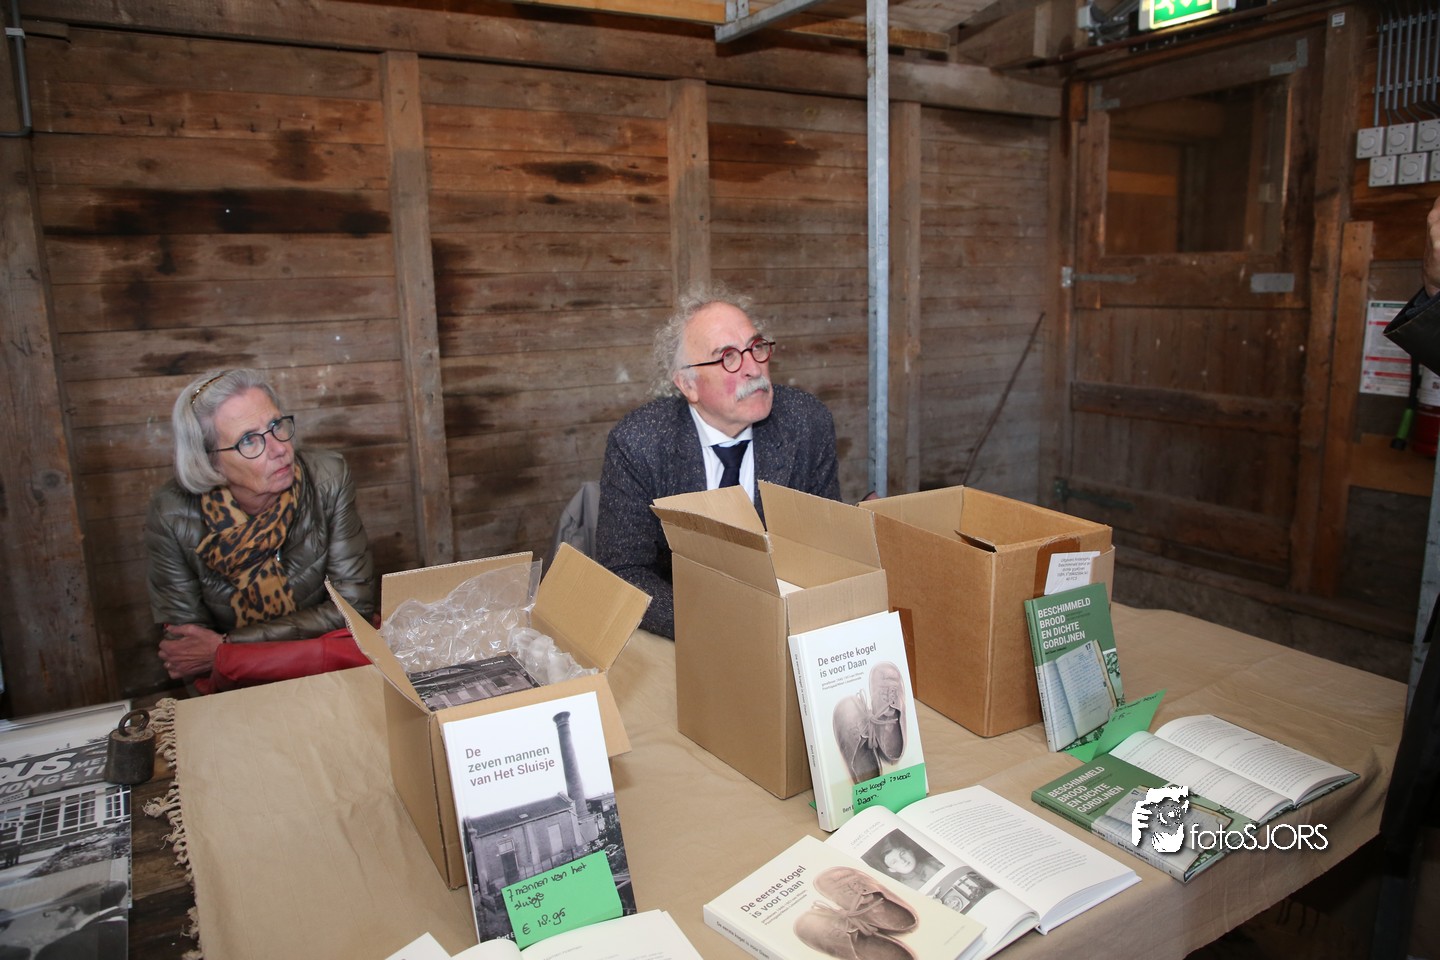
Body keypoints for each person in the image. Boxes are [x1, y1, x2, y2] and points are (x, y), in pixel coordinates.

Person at [594, 285, 842, 638]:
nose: (753, 369)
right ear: (688, 384)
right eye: (728, 357)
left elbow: (825, 549)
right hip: (684, 626)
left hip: (787, 623)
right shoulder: (640, 442)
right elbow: (624, 571)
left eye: (756, 347)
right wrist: (716, 624)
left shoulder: (806, 423)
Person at [145, 368, 377, 691]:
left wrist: (227, 646)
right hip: (236, 688)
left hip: (329, 672)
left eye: (276, 426)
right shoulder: (172, 514)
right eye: (249, 440)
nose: (279, 449)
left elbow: (354, 607)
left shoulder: (327, 477)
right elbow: (188, 652)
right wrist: (223, 658)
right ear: (209, 461)